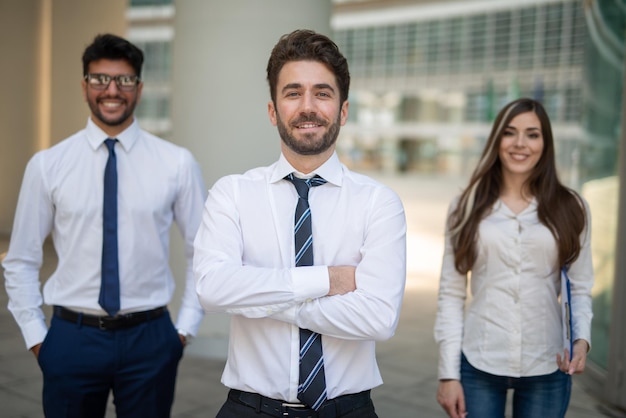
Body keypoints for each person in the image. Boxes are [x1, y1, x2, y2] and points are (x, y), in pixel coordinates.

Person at [193, 29, 407, 418]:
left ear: (342, 110)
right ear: (273, 110)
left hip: (348, 411)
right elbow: (212, 289)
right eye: (293, 93)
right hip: (249, 409)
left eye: (322, 93)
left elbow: (378, 318)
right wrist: (328, 280)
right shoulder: (233, 194)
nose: (308, 107)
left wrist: (260, 296)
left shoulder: (379, 203)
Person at [2, 33, 206, 417]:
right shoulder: (48, 165)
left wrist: (182, 332)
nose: (112, 90)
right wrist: (37, 339)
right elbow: (21, 258)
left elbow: (205, 252)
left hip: (151, 338)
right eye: (100, 79)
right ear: (84, 86)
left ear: (139, 88)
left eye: (124, 80)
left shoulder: (177, 163)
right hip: (71, 338)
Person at [434, 98, 594, 418]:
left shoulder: (571, 206)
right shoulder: (466, 206)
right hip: (480, 361)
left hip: (548, 363)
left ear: (545, 143)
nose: (520, 143)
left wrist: (581, 340)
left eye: (532, 134)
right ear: (497, 140)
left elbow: (580, 287)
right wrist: (448, 374)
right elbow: (451, 293)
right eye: (510, 133)